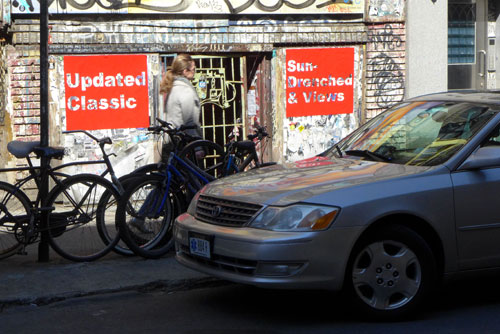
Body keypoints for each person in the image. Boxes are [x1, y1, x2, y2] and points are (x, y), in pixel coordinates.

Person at [160, 54, 202, 139]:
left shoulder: (172, 88)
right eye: (193, 69)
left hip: (173, 138)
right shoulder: (185, 90)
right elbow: (190, 122)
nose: (194, 72)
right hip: (183, 141)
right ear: (185, 71)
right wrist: (198, 148)